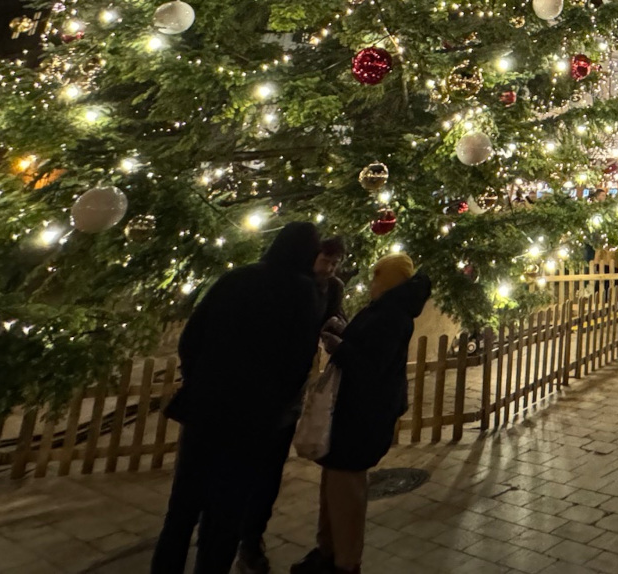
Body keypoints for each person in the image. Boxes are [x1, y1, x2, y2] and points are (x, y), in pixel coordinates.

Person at [152, 222, 324, 574]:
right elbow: (299, 358)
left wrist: (200, 380)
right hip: (253, 419)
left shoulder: (236, 279)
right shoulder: (302, 291)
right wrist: (276, 400)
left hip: (205, 409)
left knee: (183, 508)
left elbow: (192, 337)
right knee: (226, 511)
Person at [293, 255, 431, 574]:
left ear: (390, 280)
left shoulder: (393, 315)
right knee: (334, 484)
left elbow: (372, 368)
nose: (372, 282)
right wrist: (345, 331)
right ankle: (327, 550)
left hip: (364, 416)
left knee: (348, 491)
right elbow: (368, 345)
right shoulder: (384, 308)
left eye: (377, 276)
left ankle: (346, 562)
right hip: (349, 411)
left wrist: (339, 347)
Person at [237, 236, 350, 574]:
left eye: (334, 263)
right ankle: (236, 535)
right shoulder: (286, 287)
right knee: (245, 468)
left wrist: (337, 328)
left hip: (290, 392)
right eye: (324, 261)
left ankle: (249, 539)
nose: (328, 268)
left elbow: (335, 316)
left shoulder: (331, 288)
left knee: (269, 472)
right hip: (257, 390)